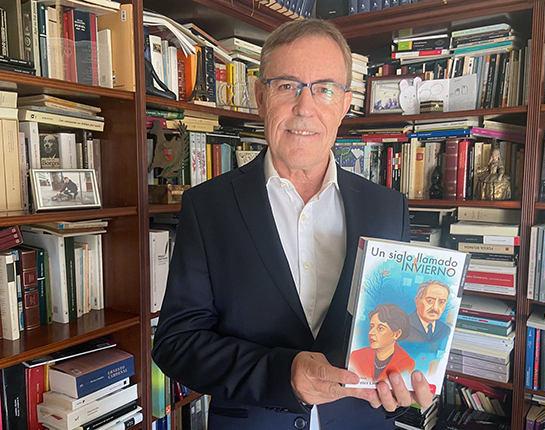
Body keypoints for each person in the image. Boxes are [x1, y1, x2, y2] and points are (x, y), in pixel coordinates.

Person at [152, 18, 433, 430]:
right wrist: (284, 374)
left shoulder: (388, 208)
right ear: (259, 97)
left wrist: (404, 388)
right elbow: (176, 344)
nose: (305, 107)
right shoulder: (208, 207)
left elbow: (397, 334)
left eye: (324, 88)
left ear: (345, 103)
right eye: (287, 85)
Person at [349, 304, 415, 382]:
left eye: (380, 328)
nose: (371, 332)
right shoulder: (355, 356)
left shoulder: (407, 364)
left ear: (396, 334)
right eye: (371, 326)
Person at [406, 280, 451, 351]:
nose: (435, 308)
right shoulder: (403, 325)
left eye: (441, 302)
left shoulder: (445, 330)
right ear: (417, 301)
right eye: (430, 300)